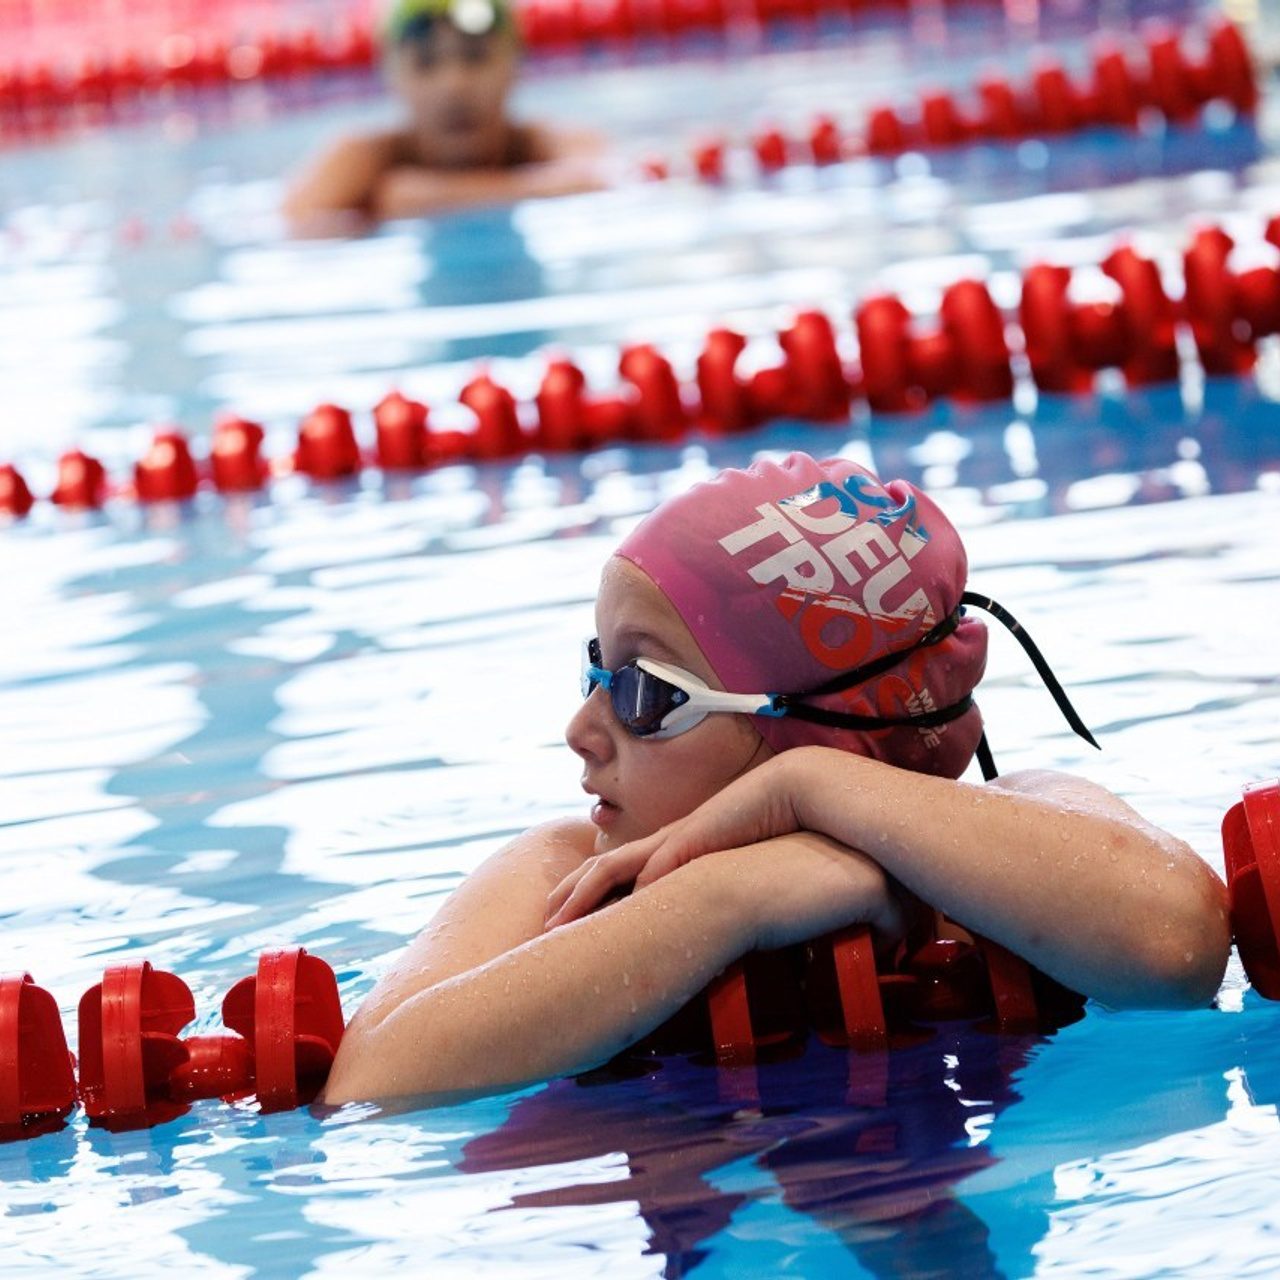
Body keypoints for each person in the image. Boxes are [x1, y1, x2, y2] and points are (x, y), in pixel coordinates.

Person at [321, 451, 1231, 1105]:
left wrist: (813, 791)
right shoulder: (564, 873)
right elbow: (374, 1078)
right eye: (597, 670)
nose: (582, 731)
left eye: (645, 691)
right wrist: (732, 896)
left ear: (819, 729)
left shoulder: (1024, 824)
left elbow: (1179, 949)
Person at [282, 0, 607, 235]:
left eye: (475, 57)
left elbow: (605, 178)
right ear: (392, 76)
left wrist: (425, 197)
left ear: (515, 63)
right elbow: (292, 225)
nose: (454, 85)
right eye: (425, 63)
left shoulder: (548, 141)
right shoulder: (362, 155)